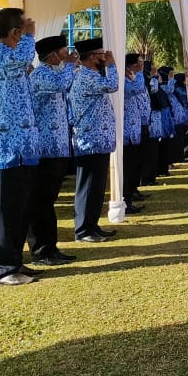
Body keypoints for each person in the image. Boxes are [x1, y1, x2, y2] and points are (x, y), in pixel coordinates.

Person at [0, 9, 41, 285]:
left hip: (23, 149)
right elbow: (22, 58)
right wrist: (31, 37)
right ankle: (4, 267)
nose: (28, 31)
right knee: (6, 210)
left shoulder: (14, 59)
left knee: (20, 209)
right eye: (24, 29)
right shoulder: (1, 56)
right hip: (6, 148)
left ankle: (16, 261)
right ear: (15, 33)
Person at [27, 35, 79, 265]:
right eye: (64, 51)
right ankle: (41, 250)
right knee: (40, 202)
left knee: (48, 201)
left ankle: (51, 247)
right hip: (44, 150)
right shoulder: (41, 75)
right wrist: (70, 65)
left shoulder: (56, 73)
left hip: (57, 148)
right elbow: (61, 85)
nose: (68, 55)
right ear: (53, 55)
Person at [69, 38, 119, 242]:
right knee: (88, 186)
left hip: (98, 139)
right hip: (89, 140)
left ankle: (92, 226)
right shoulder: (86, 77)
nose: (104, 58)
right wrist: (112, 65)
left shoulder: (91, 75)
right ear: (91, 58)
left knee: (97, 187)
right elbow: (113, 85)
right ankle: (83, 230)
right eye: (101, 55)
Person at [122, 54, 148, 212]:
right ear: (131, 65)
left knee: (134, 165)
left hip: (134, 128)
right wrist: (137, 75)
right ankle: (126, 199)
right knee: (128, 167)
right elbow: (136, 89)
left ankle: (131, 195)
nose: (142, 65)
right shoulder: (127, 79)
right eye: (139, 63)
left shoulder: (133, 77)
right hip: (126, 131)